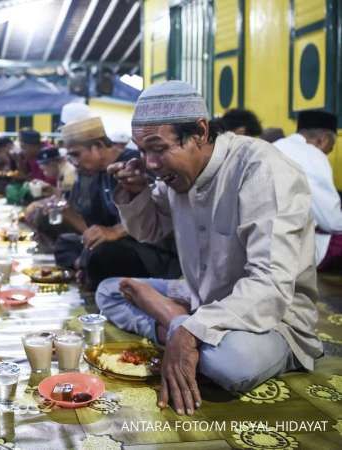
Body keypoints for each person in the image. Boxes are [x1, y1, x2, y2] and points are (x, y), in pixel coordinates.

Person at [96, 80, 322, 416]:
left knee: (230, 364)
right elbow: (149, 230)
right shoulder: (175, 176)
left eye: (158, 148)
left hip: (275, 318)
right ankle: (176, 320)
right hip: (202, 296)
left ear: (200, 131)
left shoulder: (261, 169)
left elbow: (271, 285)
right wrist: (136, 191)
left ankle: (175, 320)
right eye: (142, 151)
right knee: (109, 290)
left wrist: (189, 329)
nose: (151, 162)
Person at [54, 116, 181, 288]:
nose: (74, 163)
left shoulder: (135, 164)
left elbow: (159, 215)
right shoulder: (95, 174)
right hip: (118, 245)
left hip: (150, 249)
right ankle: (83, 266)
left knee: (102, 254)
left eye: (76, 154)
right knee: (65, 242)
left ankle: (87, 269)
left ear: (98, 146)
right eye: (71, 157)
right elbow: (95, 228)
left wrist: (115, 231)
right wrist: (68, 214)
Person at [274, 110, 341, 271]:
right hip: (288, 251)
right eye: (329, 149)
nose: (327, 154)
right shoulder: (314, 155)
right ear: (322, 140)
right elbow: (332, 221)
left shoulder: (275, 146)